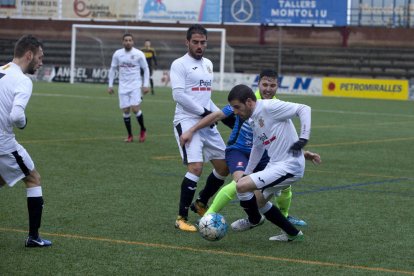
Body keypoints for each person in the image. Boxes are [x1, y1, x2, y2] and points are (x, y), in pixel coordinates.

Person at [180, 69, 320, 226]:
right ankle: (209, 215)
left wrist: (301, 152)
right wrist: (192, 130)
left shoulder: (275, 104)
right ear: (258, 83)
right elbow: (218, 115)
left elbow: (282, 135)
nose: (268, 89)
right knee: (239, 184)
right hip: (239, 150)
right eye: (265, 84)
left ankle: (282, 216)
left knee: (284, 185)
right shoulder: (246, 99)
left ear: (277, 86)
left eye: (272, 85)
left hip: (262, 152)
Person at [227, 84, 311, 242]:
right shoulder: (253, 119)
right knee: (258, 201)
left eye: (237, 107)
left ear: (249, 102)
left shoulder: (270, 106)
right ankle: (292, 234)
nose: (235, 112)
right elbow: (258, 147)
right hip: (276, 165)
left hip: (289, 166)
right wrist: (247, 172)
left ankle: (254, 220)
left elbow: (304, 109)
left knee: (241, 186)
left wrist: (304, 138)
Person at [170, 24, 229, 232]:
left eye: (202, 42)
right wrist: (206, 113)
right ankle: (181, 218)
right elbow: (179, 95)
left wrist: (221, 115)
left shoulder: (209, 65)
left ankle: (201, 203)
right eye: (195, 42)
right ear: (187, 42)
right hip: (186, 120)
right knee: (195, 167)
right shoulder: (179, 64)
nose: (199, 46)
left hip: (206, 121)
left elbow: (205, 97)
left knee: (224, 167)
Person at [0, 34, 51, 247]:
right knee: (33, 178)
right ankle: (33, 237)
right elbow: (16, 116)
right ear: (29, 55)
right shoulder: (23, 80)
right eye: (39, 57)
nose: (41, 62)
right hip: (3, 142)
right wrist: (23, 123)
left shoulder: (1, 70)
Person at [108, 33, 150, 143]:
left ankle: (142, 129)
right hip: (123, 86)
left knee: (135, 109)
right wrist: (110, 85)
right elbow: (112, 69)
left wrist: (145, 85)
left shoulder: (139, 54)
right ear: (122, 42)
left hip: (135, 85)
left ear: (133, 42)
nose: (128, 42)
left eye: (130, 40)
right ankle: (130, 135)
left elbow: (146, 69)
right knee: (126, 110)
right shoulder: (118, 54)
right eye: (126, 40)